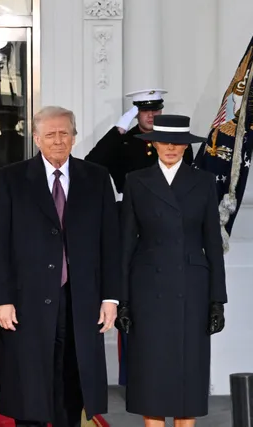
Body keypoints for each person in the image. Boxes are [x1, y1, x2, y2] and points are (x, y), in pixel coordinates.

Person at [0, 106, 120, 427]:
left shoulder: (97, 178)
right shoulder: (9, 179)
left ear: (74, 137)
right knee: (29, 387)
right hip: (25, 302)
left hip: (80, 301)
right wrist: (0, 300)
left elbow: (110, 243)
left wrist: (111, 298)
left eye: (64, 133)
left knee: (73, 386)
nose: (58, 140)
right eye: (50, 134)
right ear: (36, 138)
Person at [115, 114, 227, 427]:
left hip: (192, 289)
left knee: (188, 372)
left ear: (185, 146)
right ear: (153, 143)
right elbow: (125, 244)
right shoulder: (136, 181)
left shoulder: (203, 182)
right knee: (152, 371)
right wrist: (122, 299)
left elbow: (213, 244)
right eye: (165, 141)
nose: (171, 148)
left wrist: (217, 299)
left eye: (178, 143)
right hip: (147, 290)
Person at [84, 88, 193, 387]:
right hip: (131, 227)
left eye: (155, 110)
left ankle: (170, 371)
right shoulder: (125, 142)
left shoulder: (176, 143)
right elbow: (92, 163)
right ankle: (134, 375)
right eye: (145, 111)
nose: (151, 116)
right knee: (132, 300)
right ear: (136, 113)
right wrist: (119, 129)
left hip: (169, 229)